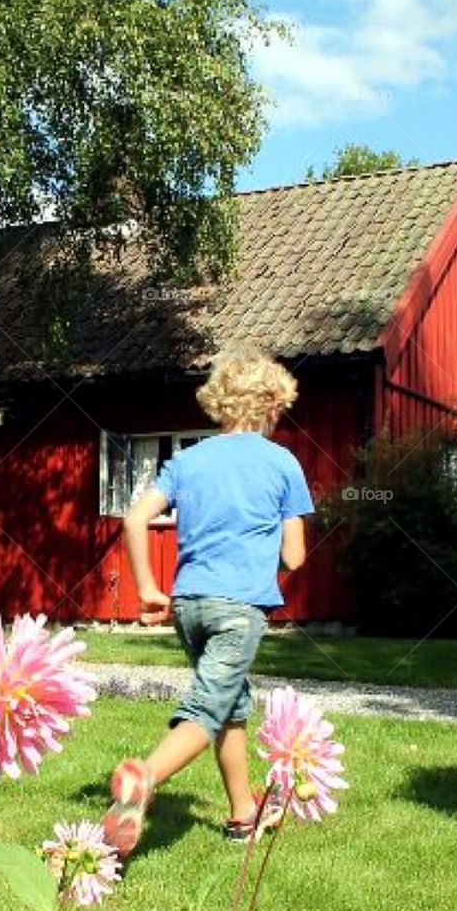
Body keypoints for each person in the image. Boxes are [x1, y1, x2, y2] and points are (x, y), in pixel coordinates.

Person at [103, 347, 314, 860]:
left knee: (230, 704)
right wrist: (259, 558)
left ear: (219, 403)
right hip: (238, 608)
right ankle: (144, 778)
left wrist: (148, 587)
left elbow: (134, 519)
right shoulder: (282, 463)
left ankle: (243, 813)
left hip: (189, 604)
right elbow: (295, 556)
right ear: (272, 405)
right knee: (207, 706)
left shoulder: (189, 460)